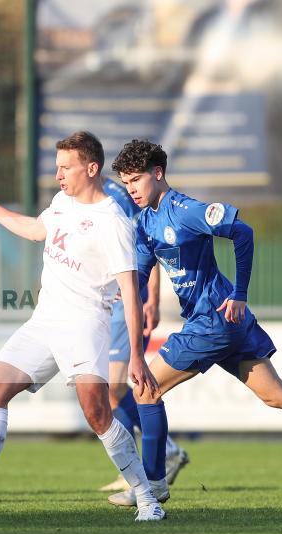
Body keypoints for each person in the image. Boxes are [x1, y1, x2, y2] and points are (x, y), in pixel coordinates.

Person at [106, 139, 282, 506]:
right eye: (126, 182)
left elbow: (243, 232)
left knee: (145, 390)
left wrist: (240, 293)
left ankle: (153, 484)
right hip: (223, 321)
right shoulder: (146, 221)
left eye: (136, 179)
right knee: (276, 394)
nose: (131, 189)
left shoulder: (185, 210)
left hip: (215, 319)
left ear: (158, 173)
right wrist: (113, 292)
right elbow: (140, 273)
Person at [0, 131, 166, 522]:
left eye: (66, 167)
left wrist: (137, 356)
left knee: (97, 413)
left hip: (85, 324)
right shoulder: (61, 202)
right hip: (44, 322)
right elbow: (37, 230)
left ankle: (146, 497)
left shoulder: (113, 221)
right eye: (57, 167)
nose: (58, 175)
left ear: (92, 168)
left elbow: (130, 291)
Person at [97, 178, 190, 494]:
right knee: (109, 390)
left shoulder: (115, 198)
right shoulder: (73, 200)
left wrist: (152, 298)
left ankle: (156, 458)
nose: (60, 175)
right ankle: (156, 458)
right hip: (101, 301)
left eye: (67, 167)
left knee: (112, 387)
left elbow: (143, 246)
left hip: (124, 300)